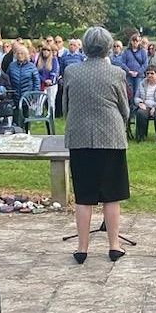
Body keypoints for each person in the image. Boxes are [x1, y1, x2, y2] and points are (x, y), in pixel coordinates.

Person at [62, 27, 132, 264]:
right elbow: (124, 109)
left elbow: (65, 106)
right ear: (109, 47)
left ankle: (82, 248)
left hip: (80, 138)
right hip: (110, 138)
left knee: (84, 195)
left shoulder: (71, 71)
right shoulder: (117, 73)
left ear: (84, 46)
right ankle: (114, 246)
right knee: (112, 195)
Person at [132, 66, 156, 142]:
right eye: (148, 73)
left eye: (152, 73)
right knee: (140, 113)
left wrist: (155, 106)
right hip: (146, 104)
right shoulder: (142, 83)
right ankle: (141, 136)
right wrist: (140, 103)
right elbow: (136, 97)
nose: (149, 75)